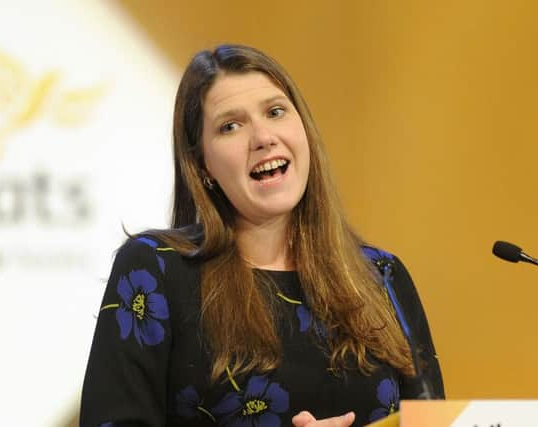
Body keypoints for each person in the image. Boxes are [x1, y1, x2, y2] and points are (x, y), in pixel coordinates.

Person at [80, 44, 444, 427]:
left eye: (275, 112)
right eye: (230, 126)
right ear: (204, 164)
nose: (263, 137)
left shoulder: (380, 276)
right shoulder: (155, 270)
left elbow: (433, 420)